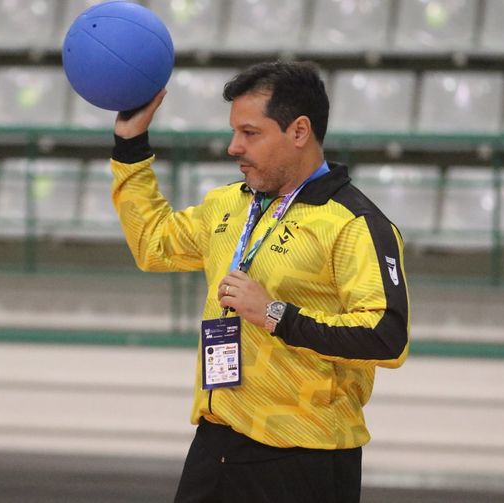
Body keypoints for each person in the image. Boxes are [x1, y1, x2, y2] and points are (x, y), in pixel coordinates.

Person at [110, 61, 409, 503]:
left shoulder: (353, 224)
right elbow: (154, 245)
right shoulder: (228, 205)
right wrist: (130, 145)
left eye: (250, 133)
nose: (233, 147)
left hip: (304, 457)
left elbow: (387, 337)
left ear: (299, 131)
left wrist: (275, 314)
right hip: (217, 441)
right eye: (235, 132)